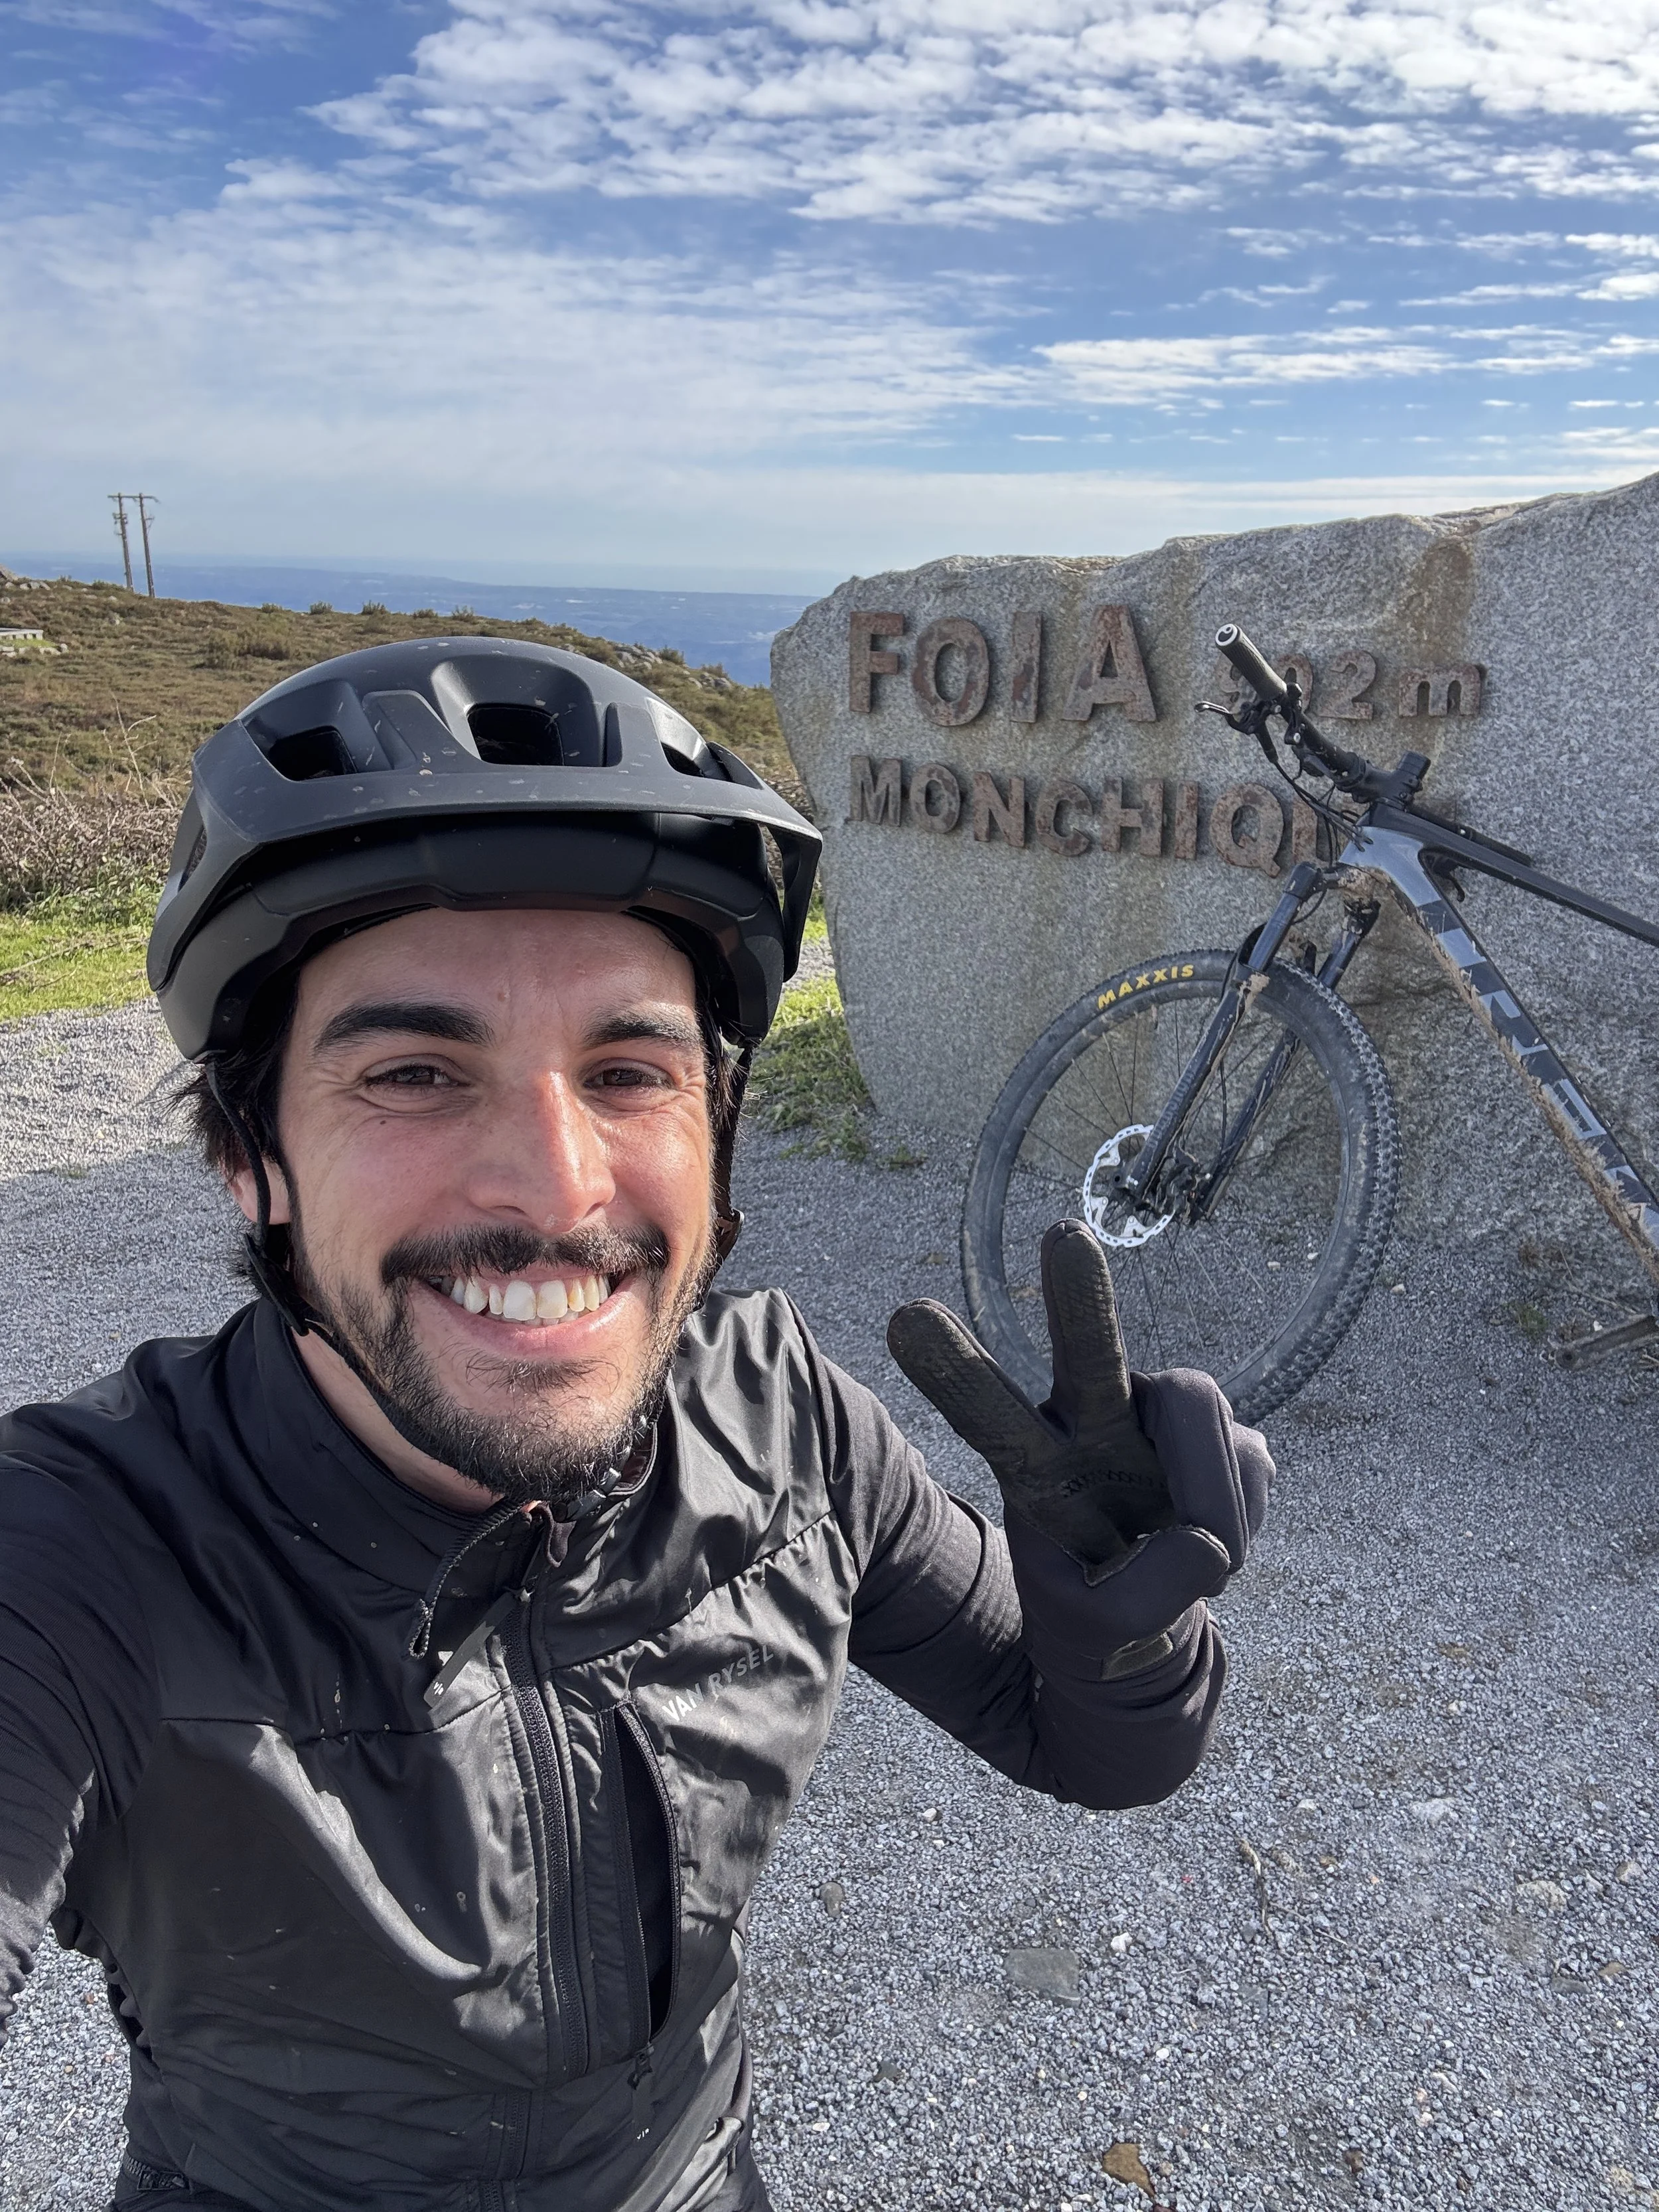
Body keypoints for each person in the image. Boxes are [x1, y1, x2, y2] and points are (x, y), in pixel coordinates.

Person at [0, 638, 1271, 2212]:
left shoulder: (788, 1422)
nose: (553, 1187)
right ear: (249, 1156)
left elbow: (1083, 1746)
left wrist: (1122, 1631)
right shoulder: (83, 1548)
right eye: (412, 1069)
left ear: (719, 1138)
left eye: (626, 1069)